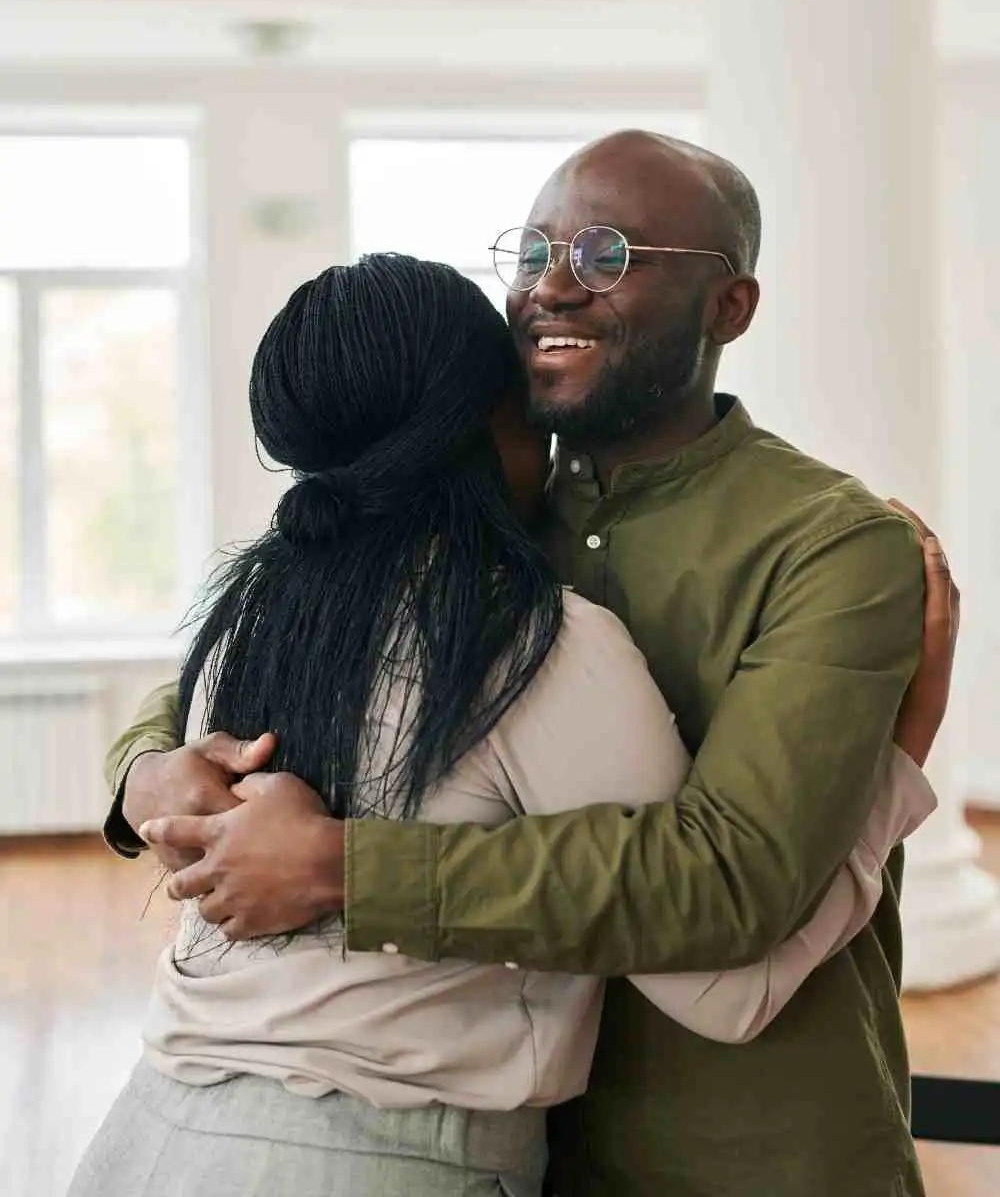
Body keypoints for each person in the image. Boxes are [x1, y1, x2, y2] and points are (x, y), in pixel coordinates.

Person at [106, 133, 960, 1197]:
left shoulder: (828, 544)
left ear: (729, 308)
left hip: (747, 1142)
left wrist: (342, 865)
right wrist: (143, 768)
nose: (550, 286)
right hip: (510, 1143)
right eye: (530, 253)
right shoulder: (468, 521)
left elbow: (728, 881)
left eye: (606, 255)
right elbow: (256, 668)